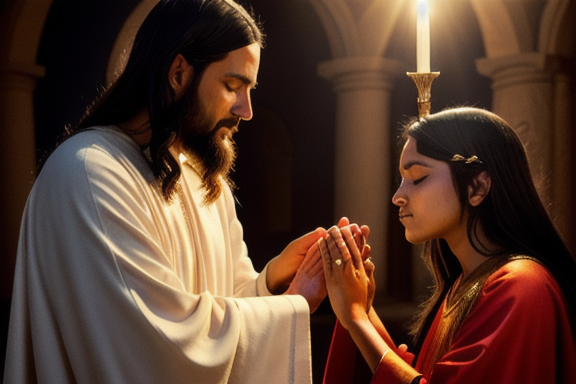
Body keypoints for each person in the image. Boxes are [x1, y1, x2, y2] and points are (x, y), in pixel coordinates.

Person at [2, 1, 349, 382]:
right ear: (179, 73)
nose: (246, 109)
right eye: (232, 85)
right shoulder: (88, 173)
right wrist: (293, 306)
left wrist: (272, 281)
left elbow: (223, 307)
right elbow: (154, 348)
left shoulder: (204, 179)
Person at [319, 107, 576, 383]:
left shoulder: (522, 285)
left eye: (417, 177)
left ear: (477, 187)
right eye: (401, 180)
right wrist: (364, 307)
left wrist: (356, 319)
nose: (398, 196)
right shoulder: (464, 285)